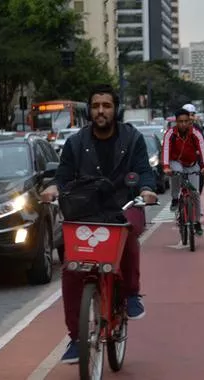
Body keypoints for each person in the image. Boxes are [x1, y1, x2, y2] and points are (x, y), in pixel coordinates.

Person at [40, 84, 158, 364]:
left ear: (115, 109)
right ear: (89, 110)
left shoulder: (132, 138)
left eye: (106, 105)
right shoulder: (76, 142)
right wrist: (54, 187)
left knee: (128, 233)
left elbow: (144, 170)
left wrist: (146, 189)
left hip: (123, 206)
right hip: (87, 211)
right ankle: (76, 337)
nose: (101, 111)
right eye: (95, 106)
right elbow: (64, 173)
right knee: (71, 268)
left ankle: (130, 294)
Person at [162, 108, 204, 235]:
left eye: (185, 121)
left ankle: (197, 222)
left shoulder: (195, 133)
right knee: (176, 172)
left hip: (192, 164)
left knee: (195, 194)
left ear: (190, 121)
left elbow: (203, 149)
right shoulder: (170, 134)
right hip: (176, 162)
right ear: (176, 122)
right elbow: (166, 150)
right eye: (180, 121)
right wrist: (166, 166)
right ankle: (175, 198)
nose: (183, 124)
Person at [182, 103, 204, 195]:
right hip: (181, 162)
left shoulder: (197, 129)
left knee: (198, 188)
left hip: (196, 162)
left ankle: (196, 208)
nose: (190, 118)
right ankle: (177, 201)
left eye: (192, 115)